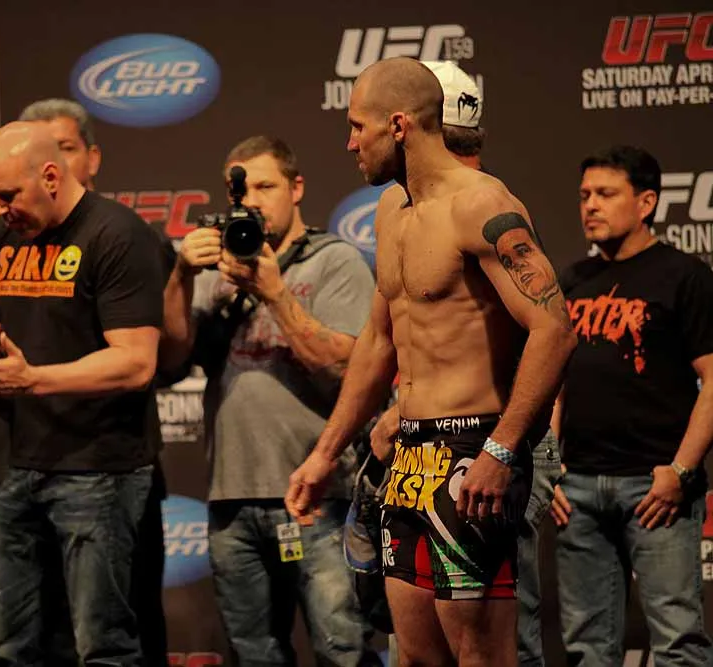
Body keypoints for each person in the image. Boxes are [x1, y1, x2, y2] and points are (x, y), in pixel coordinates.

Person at [285, 58, 576, 666]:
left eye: (357, 127)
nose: (349, 143)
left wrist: (502, 450)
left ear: (398, 126)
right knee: (416, 656)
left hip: (473, 451)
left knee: (481, 655)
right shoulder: (391, 211)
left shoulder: (482, 204)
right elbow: (378, 341)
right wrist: (324, 452)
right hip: (409, 454)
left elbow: (553, 329)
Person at [0, 120, 166, 667]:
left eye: (7, 195)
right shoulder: (4, 245)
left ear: (50, 177)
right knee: (7, 644)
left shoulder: (117, 235)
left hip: (100, 469)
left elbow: (136, 363)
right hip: (22, 466)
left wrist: (34, 379)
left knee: (104, 646)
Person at [160, 135, 378, 666]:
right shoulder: (217, 269)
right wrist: (182, 276)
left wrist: (275, 293)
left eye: (266, 186)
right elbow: (169, 359)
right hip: (232, 498)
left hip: (320, 495)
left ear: (296, 188)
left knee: (342, 651)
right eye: (242, 191)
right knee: (253, 654)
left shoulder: (334, 260)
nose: (253, 201)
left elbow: (347, 370)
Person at [549, 146, 713, 666]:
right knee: (586, 649)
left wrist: (681, 471)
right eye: (584, 196)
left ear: (646, 203)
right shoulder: (571, 281)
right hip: (578, 490)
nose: (590, 206)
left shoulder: (684, 276)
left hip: (655, 488)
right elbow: (553, 384)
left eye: (605, 194)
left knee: (677, 643)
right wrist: (551, 466)